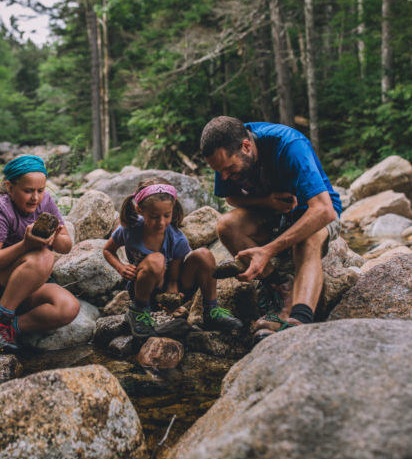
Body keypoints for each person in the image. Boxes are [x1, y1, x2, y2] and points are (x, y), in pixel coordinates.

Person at [200, 117, 341, 342]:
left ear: (246, 147)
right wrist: (268, 202)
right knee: (226, 226)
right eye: (219, 171)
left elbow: (324, 210)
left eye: (228, 169)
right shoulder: (225, 152)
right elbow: (231, 198)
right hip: (274, 214)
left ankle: (300, 320)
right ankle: (281, 290)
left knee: (305, 241)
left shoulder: (290, 145)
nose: (224, 176)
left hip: (310, 213)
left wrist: (268, 250)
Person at [0, 155, 79, 353]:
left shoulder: (45, 202)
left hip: (32, 279)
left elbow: (66, 246)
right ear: (10, 186)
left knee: (68, 307)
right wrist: (26, 244)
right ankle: (0, 319)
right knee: (43, 256)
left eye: (40, 190)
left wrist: (54, 236)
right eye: (28, 191)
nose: (35, 198)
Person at [103, 177, 242, 339]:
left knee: (203, 254)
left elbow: (176, 272)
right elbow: (108, 250)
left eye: (166, 215)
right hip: (143, 289)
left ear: (173, 210)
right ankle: (138, 312)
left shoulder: (176, 237)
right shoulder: (129, 229)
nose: (162, 222)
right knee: (156, 260)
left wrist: (173, 294)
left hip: (174, 289)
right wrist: (121, 267)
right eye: (154, 216)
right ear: (139, 210)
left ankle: (211, 310)